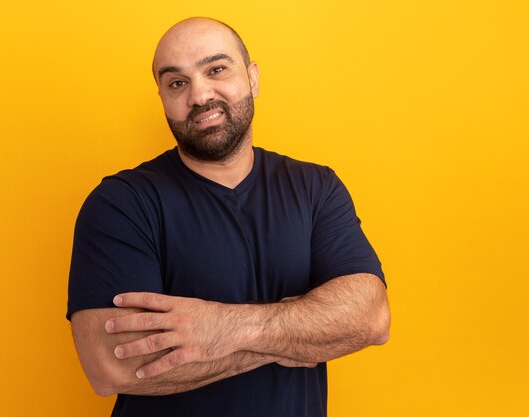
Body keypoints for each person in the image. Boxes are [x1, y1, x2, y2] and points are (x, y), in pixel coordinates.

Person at [67, 17, 390, 417]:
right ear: (162, 97)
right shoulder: (122, 202)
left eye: (216, 69)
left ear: (253, 77)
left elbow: (371, 317)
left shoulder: (315, 187)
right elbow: (111, 365)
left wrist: (225, 327)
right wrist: (297, 331)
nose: (200, 96)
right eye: (177, 83)